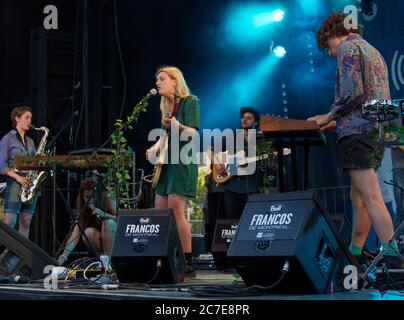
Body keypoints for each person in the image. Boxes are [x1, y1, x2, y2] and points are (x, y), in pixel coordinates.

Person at [309, 12, 402, 267]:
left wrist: (327, 115)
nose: (329, 53)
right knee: (358, 198)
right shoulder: (372, 50)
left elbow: (352, 93)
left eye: (327, 46)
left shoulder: (348, 49)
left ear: (331, 33)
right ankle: (356, 255)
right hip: (375, 131)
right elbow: (369, 98)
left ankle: (394, 261)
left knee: (371, 197)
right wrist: (337, 121)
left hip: (357, 134)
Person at [146, 66, 200, 275]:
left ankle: (188, 262)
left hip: (182, 163)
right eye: (157, 79)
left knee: (177, 211)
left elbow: (193, 135)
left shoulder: (190, 101)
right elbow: (165, 135)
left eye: (162, 79)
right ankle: (164, 256)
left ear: (175, 81)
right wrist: (154, 148)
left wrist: (177, 125)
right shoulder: (167, 107)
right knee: (160, 211)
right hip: (166, 164)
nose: (157, 83)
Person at [209, 107, 264, 220]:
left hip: (252, 187)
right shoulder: (232, 136)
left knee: (249, 220)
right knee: (232, 220)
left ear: (256, 122)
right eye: (243, 117)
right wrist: (217, 164)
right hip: (231, 186)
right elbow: (210, 149)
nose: (245, 120)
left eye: (249, 118)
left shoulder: (261, 139)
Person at [57, 177, 117, 265]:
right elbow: (75, 235)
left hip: (114, 240)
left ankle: (110, 261)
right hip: (101, 243)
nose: (90, 200)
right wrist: (64, 256)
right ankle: (103, 261)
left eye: (93, 197)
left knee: (108, 223)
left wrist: (104, 215)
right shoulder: (83, 207)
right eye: (87, 197)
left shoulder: (106, 199)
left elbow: (121, 219)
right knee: (88, 233)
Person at [0, 106, 38, 237]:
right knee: (10, 221)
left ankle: (22, 256)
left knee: (26, 221)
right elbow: (1, 165)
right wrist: (18, 178)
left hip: (30, 183)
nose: (30, 121)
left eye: (31, 118)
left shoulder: (31, 142)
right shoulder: (7, 139)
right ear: (17, 118)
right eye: (27, 117)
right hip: (15, 182)